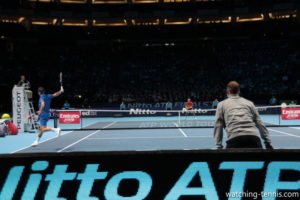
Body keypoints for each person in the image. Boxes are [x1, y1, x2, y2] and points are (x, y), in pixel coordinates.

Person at [213, 81, 273, 149]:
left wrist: (218, 146)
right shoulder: (249, 103)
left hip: (234, 139)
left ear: (228, 91)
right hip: (254, 139)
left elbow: (218, 125)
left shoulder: (221, 104)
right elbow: (260, 123)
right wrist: (268, 143)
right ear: (239, 91)